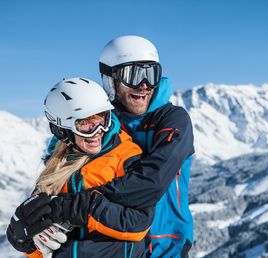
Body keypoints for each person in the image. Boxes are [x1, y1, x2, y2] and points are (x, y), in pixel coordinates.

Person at [7, 78, 155, 258]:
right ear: (63, 129)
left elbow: (138, 224)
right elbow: (42, 248)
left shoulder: (125, 156)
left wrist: (80, 208)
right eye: (85, 124)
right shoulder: (55, 169)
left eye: (102, 118)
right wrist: (24, 242)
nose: (98, 130)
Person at [98, 35, 195, 257]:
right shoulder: (100, 125)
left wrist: (81, 204)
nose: (144, 85)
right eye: (133, 75)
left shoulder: (172, 120)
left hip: (166, 248)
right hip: (119, 247)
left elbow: (153, 180)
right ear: (110, 80)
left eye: (151, 75)